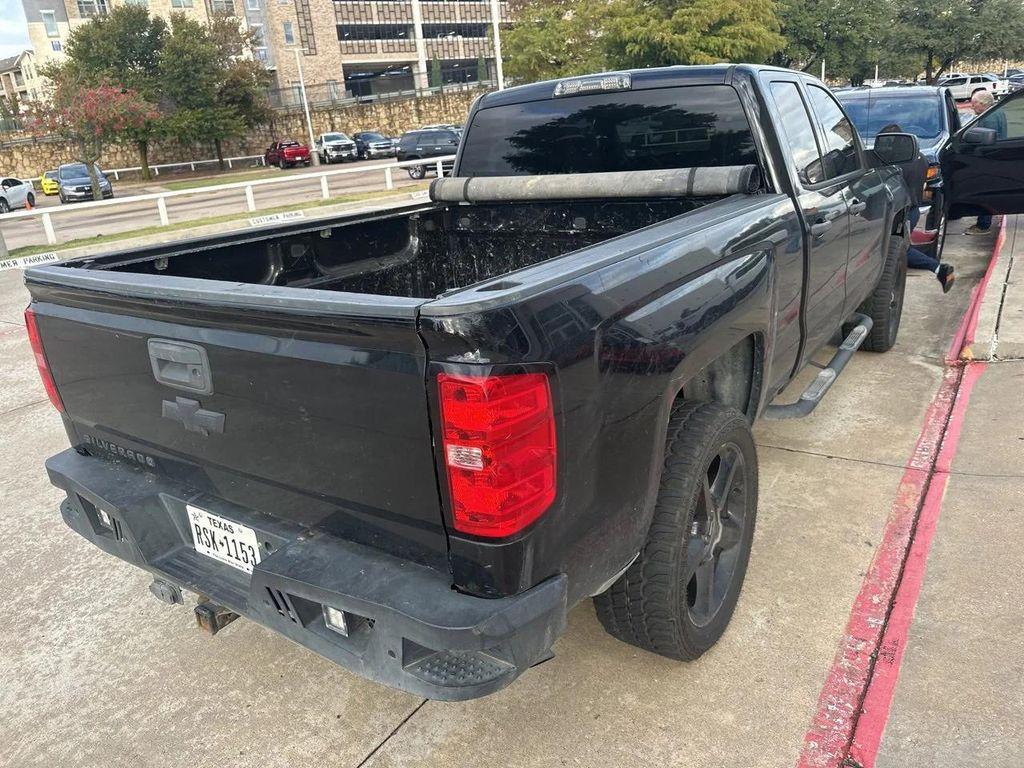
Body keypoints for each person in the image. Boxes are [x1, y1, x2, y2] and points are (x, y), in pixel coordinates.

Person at [878, 124, 956, 292]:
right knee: (900, 246)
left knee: (897, 247)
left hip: (901, 212)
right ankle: (939, 269)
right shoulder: (920, 158)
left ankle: (939, 269)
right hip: (912, 209)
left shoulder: (897, 163)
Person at [964, 90, 1006, 235]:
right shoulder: (997, 112)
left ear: (982, 104)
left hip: (988, 160)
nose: (972, 106)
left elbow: (983, 141)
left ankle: (983, 225)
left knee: (983, 191)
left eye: (974, 103)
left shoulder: (988, 118)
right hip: (996, 158)